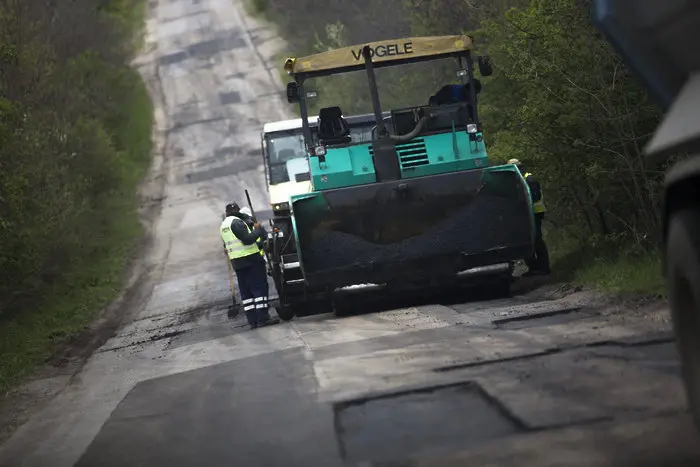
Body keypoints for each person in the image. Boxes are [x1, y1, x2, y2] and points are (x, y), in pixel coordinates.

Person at [220, 202, 278, 329]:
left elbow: (229, 244)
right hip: (251, 260)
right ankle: (263, 318)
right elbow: (247, 240)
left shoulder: (224, 225)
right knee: (259, 288)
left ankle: (252, 320)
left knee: (246, 291)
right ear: (237, 211)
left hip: (237, 263)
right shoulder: (236, 222)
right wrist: (258, 230)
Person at [508, 158, 551, 276]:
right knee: (526, 241)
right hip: (526, 215)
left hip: (535, 213)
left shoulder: (529, 179)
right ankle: (534, 268)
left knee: (536, 239)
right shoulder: (517, 181)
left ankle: (544, 267)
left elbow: (535, 196)